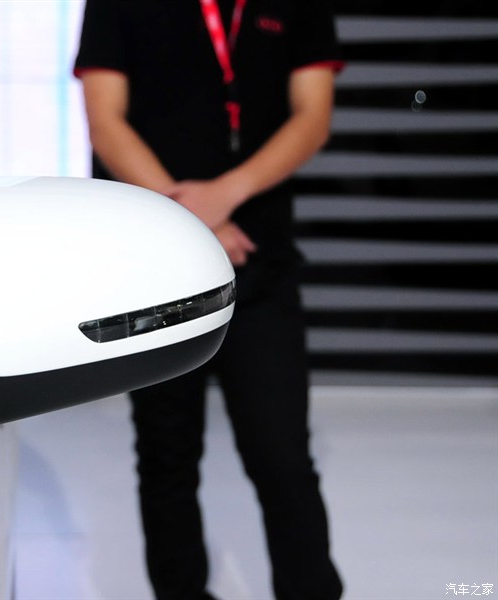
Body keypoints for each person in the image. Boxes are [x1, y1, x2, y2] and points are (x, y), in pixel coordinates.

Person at [74, 1, 344, 598]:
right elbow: (106, 121)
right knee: (167, 455)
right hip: (156, 270)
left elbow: (313, 116)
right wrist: (195, 221)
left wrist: (227, 193)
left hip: (260, 258)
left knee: (282, 456)